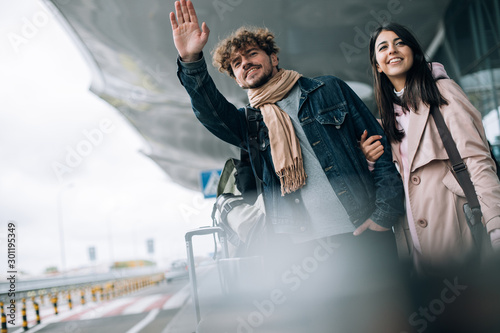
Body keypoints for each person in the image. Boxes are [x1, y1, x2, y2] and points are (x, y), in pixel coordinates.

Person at [170, 1, 406, 330]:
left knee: (384, 322)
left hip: (361, 233)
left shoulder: (329, 90)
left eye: (251, 54)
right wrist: (191, 60)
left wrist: (383, 215)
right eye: (236, 64)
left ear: (273, 57)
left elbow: (380, 153)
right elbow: (210, 112)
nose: (245, 64)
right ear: (236, 79)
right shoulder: (249, 123)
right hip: (300, 252)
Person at [361, 22, 500, 275]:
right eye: (383, 47)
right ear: (378, 66)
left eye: (399, 43)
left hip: (456, 231)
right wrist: (371, 160)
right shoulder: (385, 119)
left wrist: (496, 226)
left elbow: (478, 160)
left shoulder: (443, 91)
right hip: (413, 245)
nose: (392, 50)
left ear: (413, 52)